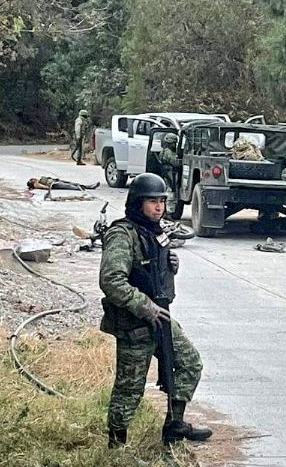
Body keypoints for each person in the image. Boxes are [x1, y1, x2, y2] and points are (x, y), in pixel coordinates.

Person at [99, 173, 212, 447]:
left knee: (190, 363)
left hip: (160, 317)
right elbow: (111, 280)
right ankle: (116, 445)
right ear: (138, 203)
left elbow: (151, 269)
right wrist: (145, 306)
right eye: (152, 202)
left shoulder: (155, 232)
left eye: (161, 201)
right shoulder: (122, 234)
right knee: (130, 388)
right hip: (135, 323)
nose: (158, 207)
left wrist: (169, 264)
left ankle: (174, 425)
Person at [157, 133, 181, 215]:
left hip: (167, 174)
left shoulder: (163, 151)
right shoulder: (168, 152)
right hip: (170, 175)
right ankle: (169, 212)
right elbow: (176, 163)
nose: (175, 145)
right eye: (174, 143)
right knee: (171, 193)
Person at [26, 176, 99, 191]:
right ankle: (81, 188)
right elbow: (46, 188)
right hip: (54, 184)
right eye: (31, 180)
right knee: (69, 186)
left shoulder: (38, 180)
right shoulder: (36, 184)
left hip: (55, 181)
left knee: (72, 183)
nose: (33, 179)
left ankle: (88, 187)